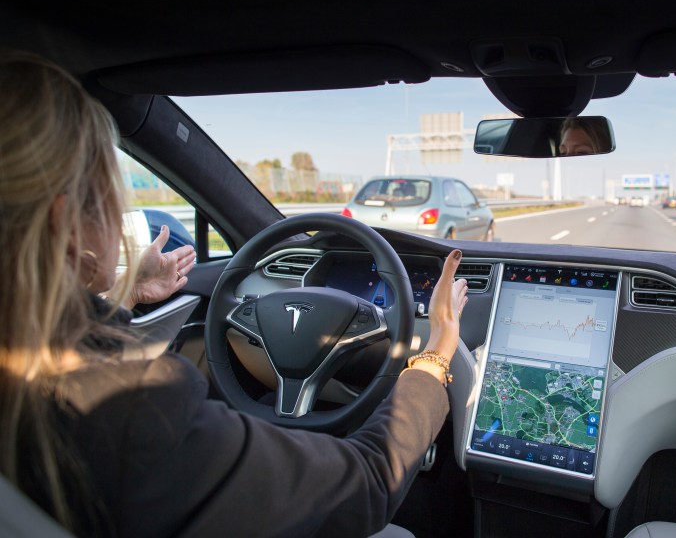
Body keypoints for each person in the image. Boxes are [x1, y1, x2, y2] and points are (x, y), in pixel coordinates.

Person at [0, 51, 468, 537]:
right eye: (110, 189)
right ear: (67, 225)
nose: (120, 207)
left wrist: (129, 293)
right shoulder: (136, 413)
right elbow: (369, 480)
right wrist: (435, 356)